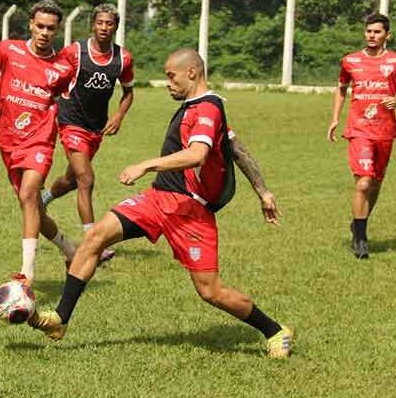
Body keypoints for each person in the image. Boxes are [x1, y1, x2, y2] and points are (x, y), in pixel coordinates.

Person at [27, 48, 293, 359]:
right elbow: (237, 148)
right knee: (96, 236)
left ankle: (275, 330)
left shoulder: (207, 109)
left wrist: (146, 165)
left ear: (191, 72)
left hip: (190, 211)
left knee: (210, 291)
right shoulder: (198, 106)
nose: (167, 82)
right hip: (157, 200)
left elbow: (197, 155)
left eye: (171, 76)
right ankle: (60, 319)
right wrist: (263, 191)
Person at [0, 0, 85, 285]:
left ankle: (26, 273)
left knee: (30, 194)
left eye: (50, 28)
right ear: (30, 24)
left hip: (40, 141)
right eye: (40, 26)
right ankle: (69, 249)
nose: (44, 32)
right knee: (33, 208)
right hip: (8, 142)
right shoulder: (7, 50)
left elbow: (66, 106)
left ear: (58, 30)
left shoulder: (63, 68)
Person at [41, 4, 135, 263]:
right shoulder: (76, 52)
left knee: (71, 180)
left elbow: (128, 93)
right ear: (93, 25)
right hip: (71, 121)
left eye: (110, 23)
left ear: (116, 26)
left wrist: (118, 115)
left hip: (96, 127)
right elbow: (51, 77)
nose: (105, 28)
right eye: (100, 23)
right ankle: (92, 244)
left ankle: (43, 199)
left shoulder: (123, 58)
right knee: (86, 179)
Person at [327, 12, 396, 259]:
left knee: (376, 183)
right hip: (359, 130)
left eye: (377, 32)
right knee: (364, 182)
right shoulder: (350, 61)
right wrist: (335, 118)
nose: (371, 36)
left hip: (385, 131)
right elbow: (341, 89)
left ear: (387, 35)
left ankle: (359, 222)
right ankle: (360, 239)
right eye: (368, 31)